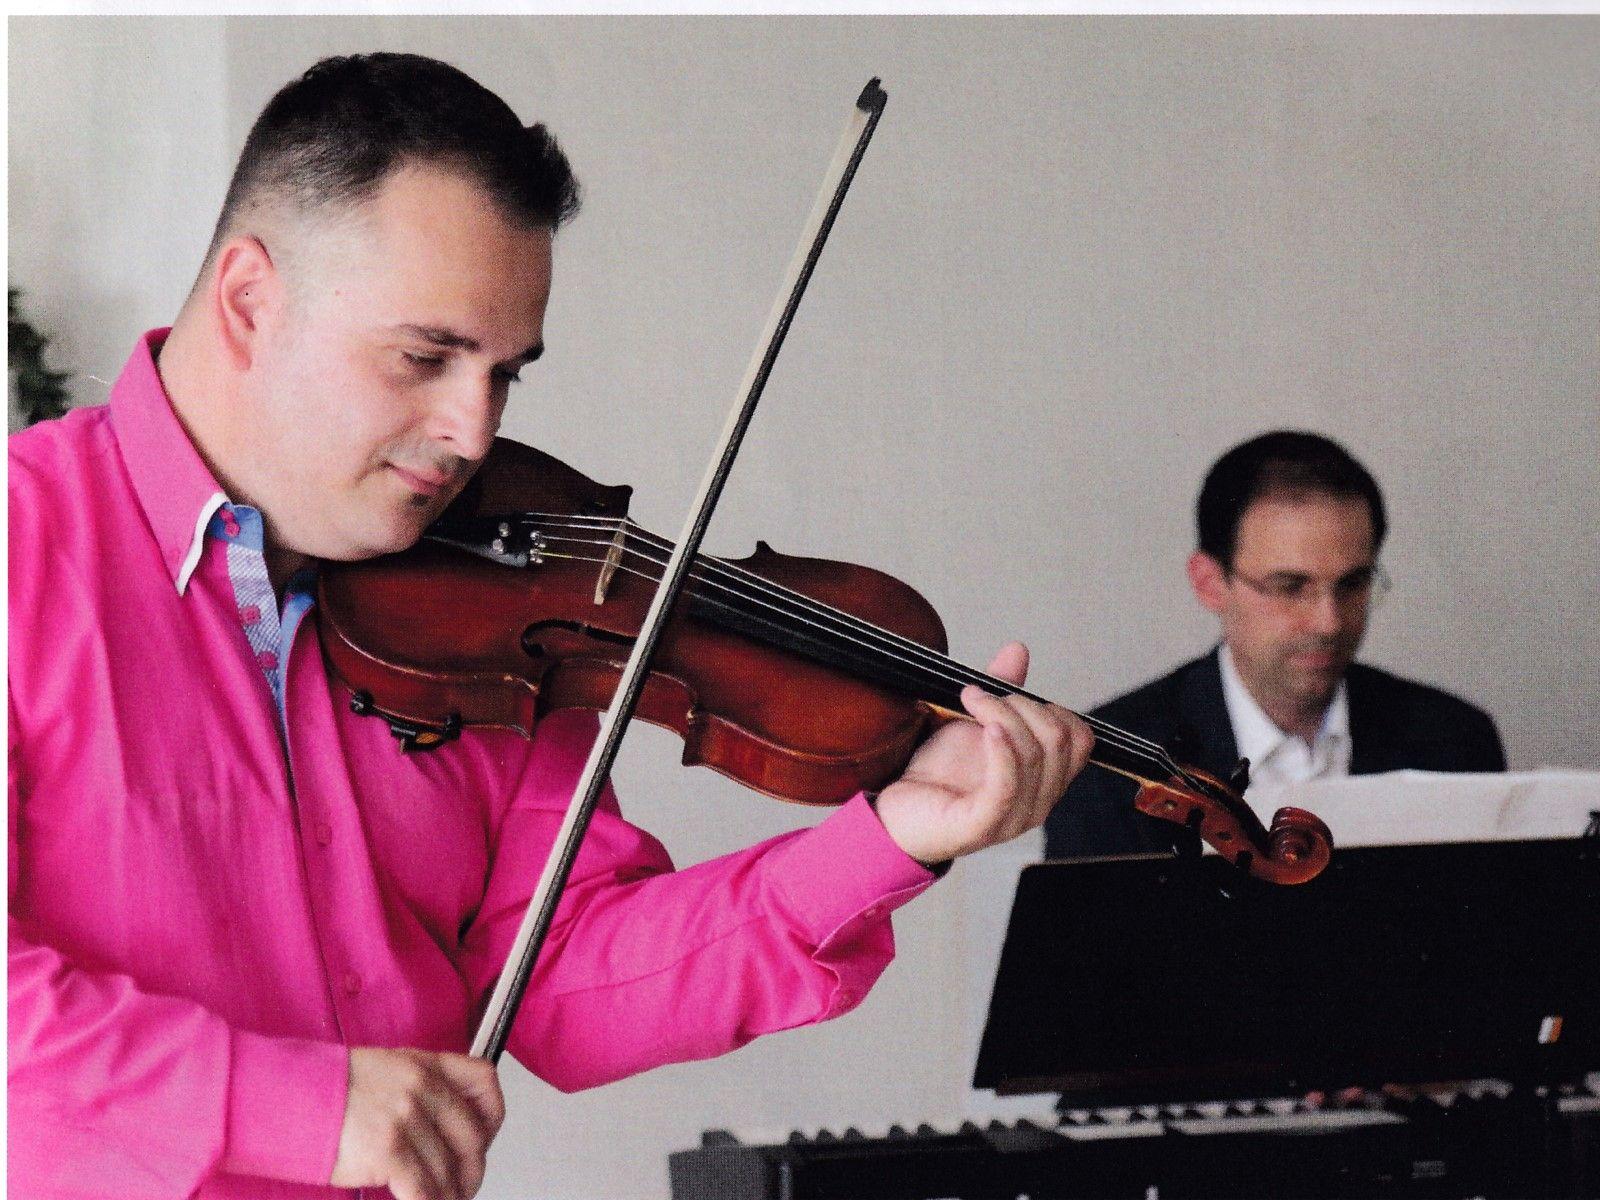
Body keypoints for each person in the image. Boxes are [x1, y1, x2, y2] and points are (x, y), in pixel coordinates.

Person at [8, 54, 1093, 1200]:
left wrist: (892, 837)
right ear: (247, 302)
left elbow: (568, 972)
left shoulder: (496, 608)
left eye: (504, 374)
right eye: (424, 358)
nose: (471, 433)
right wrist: (293, 1107)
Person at [1044, 430, 1504, 860]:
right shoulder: (1103, 766)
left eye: (1352, 583)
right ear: (1210, 583)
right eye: (1290, 586)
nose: (1328, 622)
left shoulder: (1456, 740)